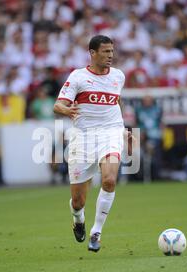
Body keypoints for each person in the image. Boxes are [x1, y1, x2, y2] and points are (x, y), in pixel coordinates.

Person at [53, 35, 133, 252]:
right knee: (78, 201)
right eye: (106, 52)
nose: (110, 56)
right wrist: (67, 109)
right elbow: (58, 105)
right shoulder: (78, 77)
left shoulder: (118, 76)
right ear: (92, 53)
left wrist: (124, 129)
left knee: (108, 180)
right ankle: (78, 219)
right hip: (84, 138)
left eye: (112, 51)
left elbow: (116, 100)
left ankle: (96, 232)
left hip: (111, 133)